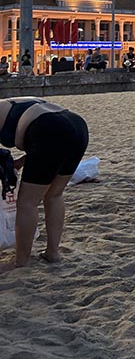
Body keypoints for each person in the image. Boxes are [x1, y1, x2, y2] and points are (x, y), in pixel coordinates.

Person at [0, 97, 89, 270]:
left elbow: (44, 134)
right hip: (76, 125)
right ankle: (53, 252)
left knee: (27, 202)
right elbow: (41, 140)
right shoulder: (11, 103)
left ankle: (21, 260)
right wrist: (22, 161)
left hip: (50, 130)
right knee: (54, 195)